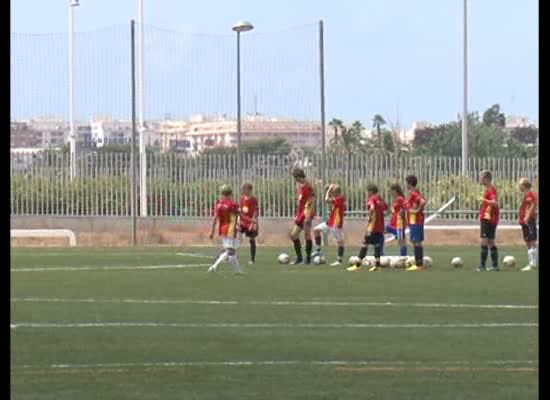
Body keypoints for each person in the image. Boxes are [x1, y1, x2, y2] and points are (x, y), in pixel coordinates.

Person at [347, 184, 387, 272]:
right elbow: (385, 210)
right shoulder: (381, 200)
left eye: (368, 192)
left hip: (372, 227)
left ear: (371, 192)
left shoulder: (372, 199)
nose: (367, 194)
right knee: (377, 246)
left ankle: (357, 266)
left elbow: (372, 207)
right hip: (380, 227)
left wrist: (370, 215)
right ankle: (377, 266)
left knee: (364, 245)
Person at [208, 185, 243, 274]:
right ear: (231, 194)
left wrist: (212, 231)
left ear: (222, 194)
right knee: (229, 251)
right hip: (231, 229)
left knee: (232, 252)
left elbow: (215, 219)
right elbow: (238, 216)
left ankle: (238, 271)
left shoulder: (219, 205)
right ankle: (214, 266)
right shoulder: (233, 205)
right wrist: (239, 225)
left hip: (223, 229)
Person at [312, 184, 346, 266]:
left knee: (340, 242)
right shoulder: (336, 198)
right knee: (316, 230)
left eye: (333, 192)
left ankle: (339, 260)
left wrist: (328, 190)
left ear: (336, 193)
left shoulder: (340, 199)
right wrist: (328, 189)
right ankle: (318, 250)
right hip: (330, 222)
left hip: (336, 224)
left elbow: (326, 199)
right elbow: (329, 197)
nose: (331, 194)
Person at [290, 168, 316, 264]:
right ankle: (299, 258)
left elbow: (312, 201)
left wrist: (308, 216)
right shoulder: (301, 186)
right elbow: (300, 202)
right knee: (293, 235)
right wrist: (297, 214)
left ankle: (308, 258)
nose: (295, 180)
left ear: (298, 177)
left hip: (306, 214)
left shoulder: (308, 186)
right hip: (301, 214)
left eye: (295, 177)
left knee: (307, 235)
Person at [477, 170, 500, 272]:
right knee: (491, 241)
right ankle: (495, 266)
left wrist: (484, 200)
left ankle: (482, 266)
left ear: (486, 178)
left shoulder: (491, 190)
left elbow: (495, 203)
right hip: (490, 218)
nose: (479, 179)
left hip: (488, 218)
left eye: (481, 177)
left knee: (484, 240)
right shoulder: (489, 189)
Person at [404, 175, 426, 272]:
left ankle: (418, 264)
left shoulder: (414, 193)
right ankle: (419, 263)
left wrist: (417, 211)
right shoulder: (413, 193)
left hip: (416, 221)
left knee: (416, 241)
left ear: (409, 184)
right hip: (414, 221)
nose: (406, 185)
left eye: (406, 183)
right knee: (416, 241)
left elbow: (422, 201)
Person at [518, 178, 538, 271]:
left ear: (524, 185)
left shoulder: (530, 194)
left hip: (529, 221)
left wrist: (527, 217)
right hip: (525, 222)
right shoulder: (527, 195)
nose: (519, 187)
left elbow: (532, 206)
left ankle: (533, 264)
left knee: (531, 240)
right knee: (528, 241)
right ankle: (531, 263)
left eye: (520, 185)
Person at [385, 183, 408, 257]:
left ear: (395, 191)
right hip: (393, 223)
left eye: (391, 191)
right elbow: (393, 210)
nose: (390, 193)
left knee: (401, 241)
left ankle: (403, 257)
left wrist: (402, 212)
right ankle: (380, 253)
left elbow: (406, 206)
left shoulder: (400, 199)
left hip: (399, 223)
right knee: (379, 232)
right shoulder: (395, 200)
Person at [240, 183, 259, 265]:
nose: (243, 191)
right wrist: (238, 221)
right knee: (233, 237)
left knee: (252, 240)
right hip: (242, 222)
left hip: (251, 223)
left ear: (249, 190)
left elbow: (255, 212)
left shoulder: (253, 199)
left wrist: (252, 223)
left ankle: (252, 259)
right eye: (243, 189)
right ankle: (228, 255)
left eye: (245, 189)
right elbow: (240, 211)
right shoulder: (242, 199)